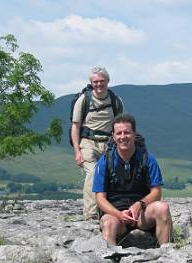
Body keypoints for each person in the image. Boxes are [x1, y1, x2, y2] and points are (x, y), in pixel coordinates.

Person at [92, 113, 172, 246]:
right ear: (113, 136)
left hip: (142, 214)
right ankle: (110, 261)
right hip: (116, 215)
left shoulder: (147, 159)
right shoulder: (105, 161)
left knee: (163, 208)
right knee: (107, 223)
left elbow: (156, 192)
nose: (123, 137)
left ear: (134, 134)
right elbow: (100, 198)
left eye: (127, 132)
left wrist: (139, 205)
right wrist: (118, 214)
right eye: (119, 133)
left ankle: (166, 252)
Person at [71, 66, 123, 220]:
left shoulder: (115, 101)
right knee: (94, 173)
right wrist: (77, 151)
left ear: (108, 81)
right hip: (88, 143)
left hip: (109, 144)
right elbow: (75, 126)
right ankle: (91, 215)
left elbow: (121, 124)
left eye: (102, 81)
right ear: (91, 83)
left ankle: (110, 210)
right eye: (95, 82)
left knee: (112, 176)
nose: (99, 84)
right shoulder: (83, 100)